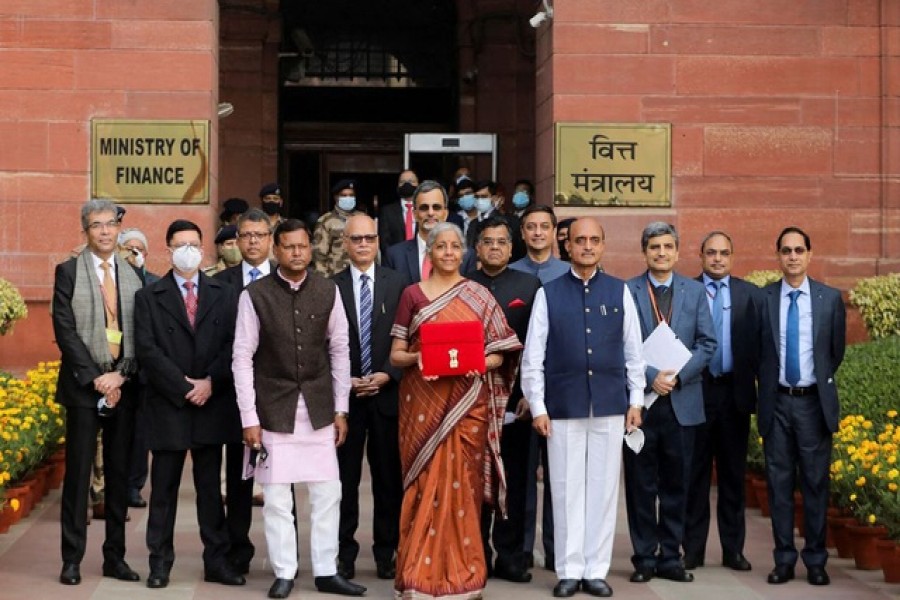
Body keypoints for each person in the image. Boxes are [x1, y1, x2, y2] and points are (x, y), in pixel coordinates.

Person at [233, 219, 366, 599]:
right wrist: (249, 418)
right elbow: (241, 357)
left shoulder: (328, 290)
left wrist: (342, 408)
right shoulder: (254, 294)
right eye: (288, 246)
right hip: (273, 409)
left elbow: (340, 349)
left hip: (320, 407)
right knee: (276, 497)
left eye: (302, 246)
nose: (296, 253)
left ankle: (326, 570)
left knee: (328, 493)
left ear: (311, 249)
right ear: (276, 250)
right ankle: (285, 572)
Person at [389, 221, 521, 599]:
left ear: (464, 252)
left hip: (468, 407)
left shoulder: (478, 295)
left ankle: (463, 577)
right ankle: (417, 577)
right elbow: (396, 355)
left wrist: (475, 359)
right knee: (422, 486)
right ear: (429, 252)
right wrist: (423, 356)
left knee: (462, 490)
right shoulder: (412, 295)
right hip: (422, 406)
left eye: (454, 247)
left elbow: (504, 350)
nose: (448, 253)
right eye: (440, 246)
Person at [521, 217, 646, 598]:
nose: (587, 246)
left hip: (609, 405)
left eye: (594, 240)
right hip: (563, 405)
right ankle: (569, 569)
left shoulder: (619, 291)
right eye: (580, 240)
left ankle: (595, 569)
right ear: (568, 247)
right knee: (564, 488)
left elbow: (634, 353)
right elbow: (533, 356)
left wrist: (636, 400)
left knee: (603, 489)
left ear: (603, 246)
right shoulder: (549, 293)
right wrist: (538, 406)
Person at [134, 219, 245, 589]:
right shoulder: (149, 296)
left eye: (194, 243)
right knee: (162, 491)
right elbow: (147, 350)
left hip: (211, 403)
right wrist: (184, 387)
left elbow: (234, 345)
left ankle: (217, 560)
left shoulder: (224, 293)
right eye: (180, 244)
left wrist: (210, 382)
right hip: (170, 405)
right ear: (168, 248)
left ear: (203, 248)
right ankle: (159, 563)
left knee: (211, 491)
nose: (188, 250)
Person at [52, 198, 142, 586]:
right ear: (84, 231)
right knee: (78, 475)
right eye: (96, 225)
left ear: (120, 228)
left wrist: (120, 376)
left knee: (120, 476)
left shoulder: (136, 275)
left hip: (124, 385)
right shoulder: (68, 271)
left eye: (110, 224)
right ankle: (71, 558)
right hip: (83, 387)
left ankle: (115, 558)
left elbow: (143, 331)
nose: (105, 231)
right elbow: (64, 330)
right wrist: (95, 378)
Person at [624, 221, 716, 584]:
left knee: (678, 485)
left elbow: (708, 343)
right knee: (641, 485)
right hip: (642, 404)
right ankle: (644, 558)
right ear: (644, 251)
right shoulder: (628, 291)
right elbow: (620, 344)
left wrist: (677, 375)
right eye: (654, 247)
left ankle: (670, 558)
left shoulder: (694, 292)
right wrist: (651, 376)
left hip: (682, 402)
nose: (661, 253)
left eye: (667, 247)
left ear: (678, 252)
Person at [758, 226, 845, 587]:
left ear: (809, 255)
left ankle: (816, 560)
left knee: (814, 484)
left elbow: (834, 353)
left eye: (799, 250)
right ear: (777, 256)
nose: (792, 256)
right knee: (778, 485)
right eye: (786, 251)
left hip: (812, 404)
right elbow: (758, 352)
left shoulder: (829, 299)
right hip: (777, 402)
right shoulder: (764, 299)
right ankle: (783, 560)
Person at [332, 215, 407, 581]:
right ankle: (344, 554)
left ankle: (386, 551)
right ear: (345, 243)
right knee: (342, 482)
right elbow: (324, 344)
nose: (363, 244)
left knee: (388, 480)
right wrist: (345, 380)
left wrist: (387, 374)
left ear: (378, 242)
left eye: (369, 238)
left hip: (387, 395)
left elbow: (410, 335)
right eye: (356, 238)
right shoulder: (330, 286)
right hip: (346, 400)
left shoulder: (400, 284)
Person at [468, 216, 541, 584]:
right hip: (472, 402)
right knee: (476, 483)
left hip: (517, 403)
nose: (495, 247)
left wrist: (531, 394)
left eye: (501, 242)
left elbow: (538, 344)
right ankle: (477, 553)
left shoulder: (529, 285)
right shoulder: (465, 286)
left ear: (512, 249)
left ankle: (512, 556)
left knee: (515, 481)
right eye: (488, 241)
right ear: (477, 248)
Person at [682, 231, 760, 572]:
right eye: (711, 252)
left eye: (724, 253)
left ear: (732, 256)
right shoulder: (687, 291)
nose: (717, 258)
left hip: (734, 396)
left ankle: (733, 551)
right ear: (700, 256)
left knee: (732, 477)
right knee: (694, 476)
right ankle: (693, 550)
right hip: (696, 392)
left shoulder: (749, 295)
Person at [214, 207, 278, 573]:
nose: (253, 241)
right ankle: (238, 549)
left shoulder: (288, 278)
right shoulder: (220, 284)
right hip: (233, 396)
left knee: (281, 478)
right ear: (237, 242)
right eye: (247, 235)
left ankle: (286, 554)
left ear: (271, 240)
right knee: (239, 478)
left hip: (279, 394)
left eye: (260, 235)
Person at [509, 204, 568, 570]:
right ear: (522, 233)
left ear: (554, 231)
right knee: (521, 476)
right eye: (530, 227)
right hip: (519, 395)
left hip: (562, 390)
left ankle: (556, 550)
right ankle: (520, 550)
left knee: (560, 478)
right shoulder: (510, 273)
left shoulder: (568, 273)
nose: (537, 233)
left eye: (544, 227)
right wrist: (527, 394)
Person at [118, 227, 159, 511]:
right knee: (119, 431)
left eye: (139, 249)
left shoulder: (154, 283)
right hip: (117, 369)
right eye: (129, 249)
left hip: (145, 370)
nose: (135, 253)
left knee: (141, 433)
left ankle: (134, 486)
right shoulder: (111, 279)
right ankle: (113, 485)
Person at [383, 181, 476, 283]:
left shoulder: (466, 256)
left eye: (436, 207)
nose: (430, 213)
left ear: (445, 214)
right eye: (424, 208)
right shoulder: (395, 255)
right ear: (414, 214)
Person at [313, 179, 365, 276]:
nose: (348, 198)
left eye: (351, 195)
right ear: (336, 197)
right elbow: (319, 255)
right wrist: (323, 281)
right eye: (344, 195)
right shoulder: (326, 221)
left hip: (360, 274)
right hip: (335, 275)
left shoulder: (363, 218)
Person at [378, 170, 420, 254]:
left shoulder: (424, 209)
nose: (407, 184)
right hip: (395, 261)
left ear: (418, 185)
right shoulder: (387, 212)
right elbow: (384, 242)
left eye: (411, 181)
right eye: (402, 182)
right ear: (398, 186)